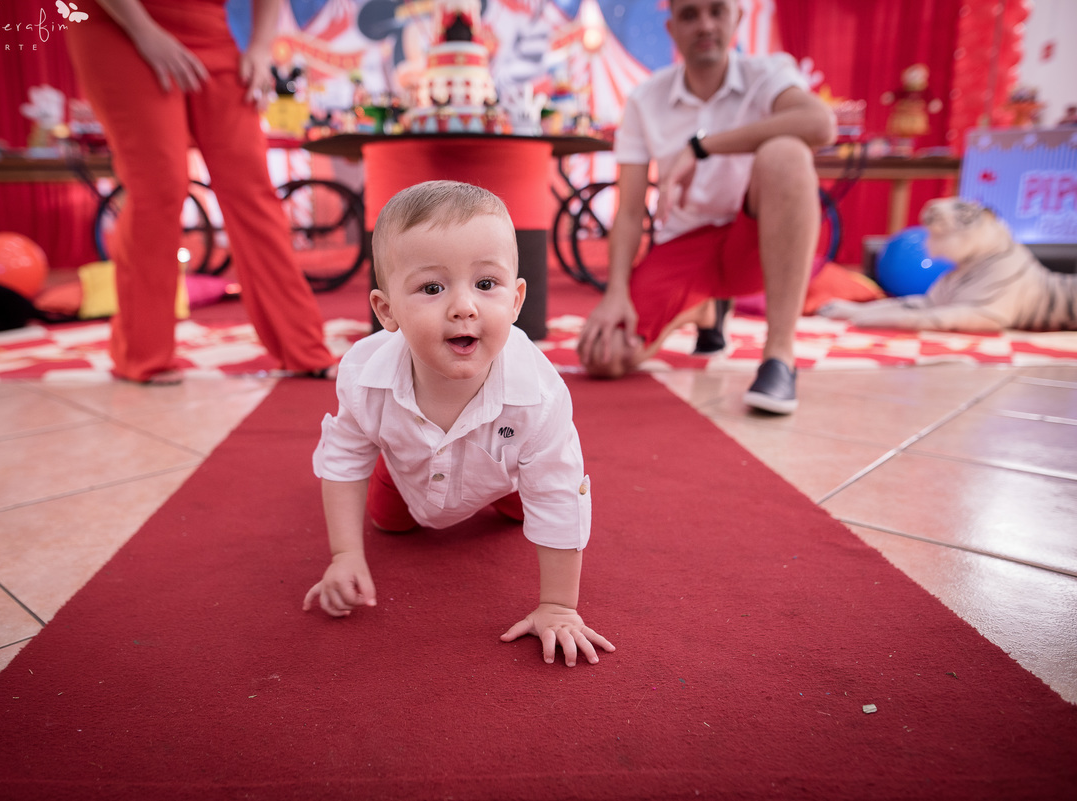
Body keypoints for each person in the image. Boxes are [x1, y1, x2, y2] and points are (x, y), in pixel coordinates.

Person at [303, 181, 614, 668]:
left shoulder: (539, 394)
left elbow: (556, 491)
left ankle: (507, 496)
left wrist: (558, 606)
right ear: (387, 311)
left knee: (527, 504)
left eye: (486, 285)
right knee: (387, 521)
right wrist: (345, 553)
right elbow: (344, 458)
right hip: (406, 471)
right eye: (432, 288)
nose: (464, 307)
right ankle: (401, 493)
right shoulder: (365, 377)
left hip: (505, 473)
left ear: (515, 301)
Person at [576, 0, 837, 414]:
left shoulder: (769, 72)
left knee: (787, 153)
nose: (706, 25)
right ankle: (703, 309)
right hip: (685, 244)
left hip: (753, 240)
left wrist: (702, 147)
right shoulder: (645, 98)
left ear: (738, 18)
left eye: (717, 11)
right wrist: (616, 293)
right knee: (603, 355)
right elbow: (627, 213)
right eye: (690, 14)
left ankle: (779, 357)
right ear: (671, 28)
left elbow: (821, 125)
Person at [67, 0, 336, 384]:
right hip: (122, 24)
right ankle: (142, 354)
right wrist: (145, 33)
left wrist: (259, 49)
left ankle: (303, 349)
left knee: (252, 189)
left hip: (210, 31)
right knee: (160, 188)